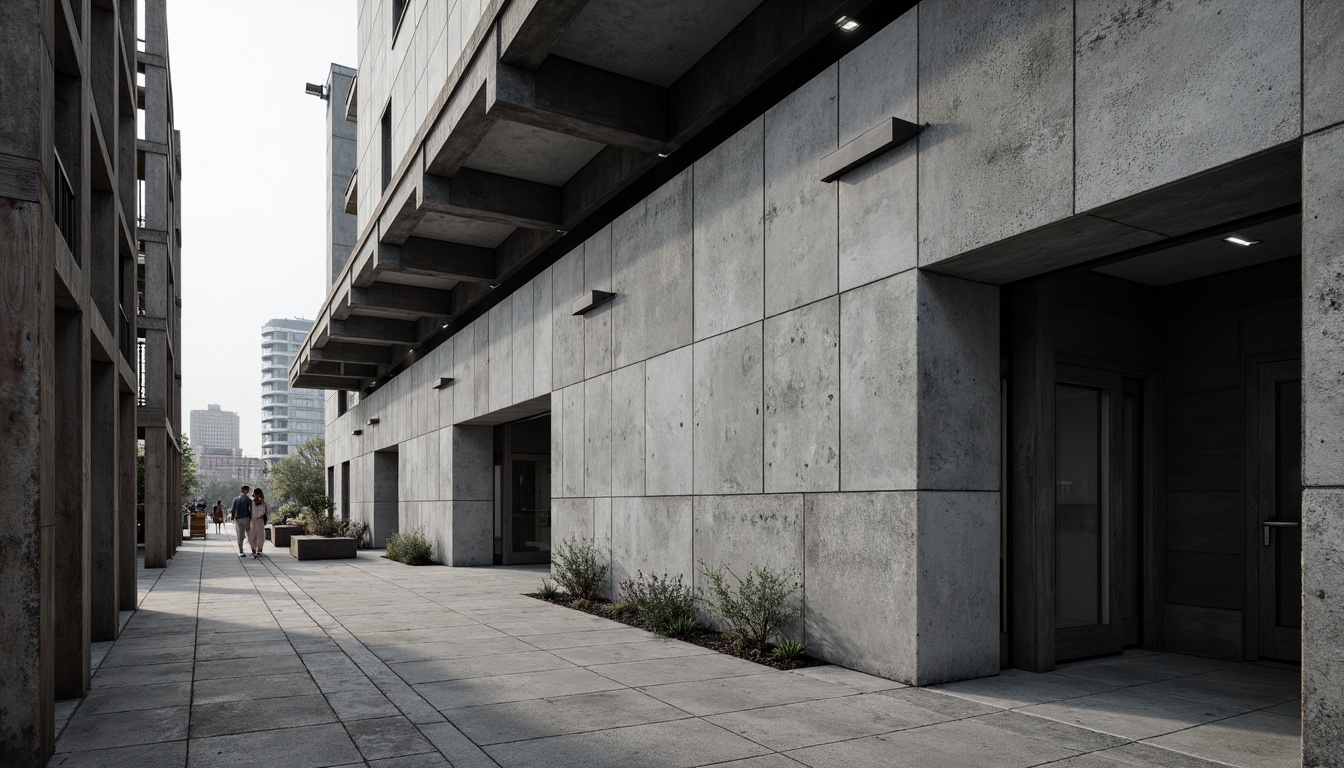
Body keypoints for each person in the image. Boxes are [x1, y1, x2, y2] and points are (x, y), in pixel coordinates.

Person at [229, 485, 253, 558]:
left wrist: (233, 518)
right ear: (247, 491)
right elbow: (251, 510)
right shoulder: (249, 500)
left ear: (241, 490)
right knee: (249, 534)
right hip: (247, 518)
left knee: (240, 535)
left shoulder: (235, 499)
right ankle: (253, 550)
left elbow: (233, 509)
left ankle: (241, 551)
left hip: (238, 519)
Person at [249, 488, 271, 559]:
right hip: (252, 520)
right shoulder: (251, 502)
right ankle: (253, 549)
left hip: (260, 520)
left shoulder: (263, 503)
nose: (257, 495)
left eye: (259, 494)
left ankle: (259, 549)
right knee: (253, 535)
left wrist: (266, 519)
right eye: (256, 494)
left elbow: (267, 512)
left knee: (260, 535)